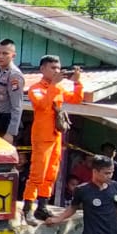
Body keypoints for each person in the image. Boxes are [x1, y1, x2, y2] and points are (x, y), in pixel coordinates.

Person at [21, 56, 85, 224]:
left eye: (58, 68)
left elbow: (76, 99)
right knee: (37, 174)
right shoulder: (36, 88)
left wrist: (77, 82)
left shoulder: (58, 88)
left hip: (56, 136)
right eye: (52, 68)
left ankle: (42, 206)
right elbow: (42, 104)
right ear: (42, 69)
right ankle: (28, 208)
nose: (57, 71)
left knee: (51, 173)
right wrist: (54, 86)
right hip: (42, 137)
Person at [0, 39, 26, 140]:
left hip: (9, 121)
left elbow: (17, 106)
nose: (0, 56)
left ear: (13, 56)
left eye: (5, 53)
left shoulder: (14, 76)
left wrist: (11, 133)